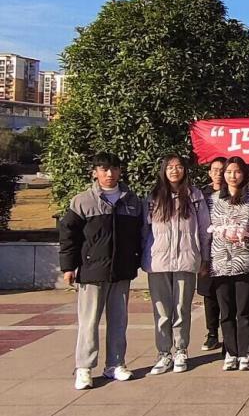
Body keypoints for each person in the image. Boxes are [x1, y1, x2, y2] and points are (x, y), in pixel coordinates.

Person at [60, 152, 145, 390]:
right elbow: (69, 236)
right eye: (104, 169)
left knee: (119, 321)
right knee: (89, 322)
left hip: (121, 270)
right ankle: (84, 368)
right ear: (95, 172)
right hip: (92, 271)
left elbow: (139, 234)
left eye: (114, 169)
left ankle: (115, 364)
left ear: (120, 171)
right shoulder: (82, 201)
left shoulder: (132, 201)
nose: (109, 174)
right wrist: (68, 267)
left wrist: (136, 260)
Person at [142, 154, 211, 375]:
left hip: (186, 260)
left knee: (182, 308)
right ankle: (164, 353)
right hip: (158, 262)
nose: (174, 170)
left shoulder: (194, 195)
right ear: (163, 170)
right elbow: (144, 231)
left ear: (185, 170)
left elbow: (205, 229)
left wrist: (205, 257)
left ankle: (181, 350)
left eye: (179, 166)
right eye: (170, 167)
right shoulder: (153, 196)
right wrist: (143, 257)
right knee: (161, 311)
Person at [208, 157, 249, 371]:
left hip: (247, 263)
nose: (232, 176)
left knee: (244, 311)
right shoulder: (213, 200)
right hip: (220, 263)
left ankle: (245, 352)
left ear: (244, 174)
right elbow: (205, 229)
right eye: (228, 172)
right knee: (226, 312)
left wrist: (246, 236)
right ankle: (230, 352)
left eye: (237, 172)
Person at [199, 156, 226, 351]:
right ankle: (212, 333)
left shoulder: (234, 193)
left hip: (228, 250)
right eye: (215, 170)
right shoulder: (201, 194)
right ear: (209, 173)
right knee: (209, 294)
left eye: (222, 170)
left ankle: (230, 333)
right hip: (207, 249)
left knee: (226, 293)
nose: (219, 173)